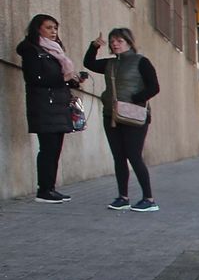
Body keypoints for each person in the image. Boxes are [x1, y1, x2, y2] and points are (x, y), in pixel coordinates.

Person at [83, 27, 160, 212]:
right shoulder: (110, 64)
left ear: (128, 42)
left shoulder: (142, 62)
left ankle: (149, 199)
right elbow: (89, 63)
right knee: (119, 157)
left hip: (134, 115)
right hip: (112, 115)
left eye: (119, 40)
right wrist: (94, 46)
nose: (115, 44)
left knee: (134, 156)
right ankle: (123, 197)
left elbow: (154, 87)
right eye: (112, 41)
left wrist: (135, 99)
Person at [15, 13, 90, 204]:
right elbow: (33, 78)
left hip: (59, 104)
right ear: (37, 28)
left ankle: (51, 188)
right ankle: (44, 190)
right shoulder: (31, 50)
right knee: (48, 149)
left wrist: (74, 80)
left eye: (55, 28)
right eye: (49, 27)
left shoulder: (55, 51)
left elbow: (58, 78)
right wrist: (62, 79)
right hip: (43, 105)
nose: (53, 32)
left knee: (55, 149)